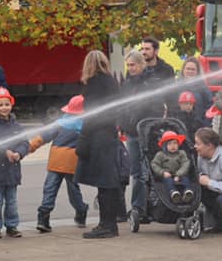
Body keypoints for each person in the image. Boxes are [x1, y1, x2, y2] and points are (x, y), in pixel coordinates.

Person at [74, 50, 126, 239]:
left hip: (98, 136)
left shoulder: (94, 84)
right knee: (109, 181)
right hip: (109, 134)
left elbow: (92, 115)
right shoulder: (111, 82)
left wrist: (83, 138)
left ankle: (107, 225)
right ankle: (110, 223)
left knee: (105, 183)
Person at [117, 49, 166, 219]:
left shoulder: (151, 82)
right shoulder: (127, 84)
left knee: (147, 171)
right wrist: (123, 124)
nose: (130, 68)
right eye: (128, 65)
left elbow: (157, 107)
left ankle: (147, 206)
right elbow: (122, 106)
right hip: (131, 133)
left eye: (133, 65)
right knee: (136, 172)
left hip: (146, 133)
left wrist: (146, 125)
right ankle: (137, 208)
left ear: (141, 64)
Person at [29, 94, 88, 234]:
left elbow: (42, 138)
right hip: (72, 164)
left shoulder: (60, 123)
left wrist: (28, 148)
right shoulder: (85, 126)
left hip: (55, 163)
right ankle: (81, 211)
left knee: (49, 190)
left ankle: (43, 218)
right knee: (74, 191)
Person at [0, 88, 30, 238]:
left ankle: (12, 226)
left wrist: (19, 153)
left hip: (13, 171)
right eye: (0, 105)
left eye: (6, 104)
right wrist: (5, 151)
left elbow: (25, 143)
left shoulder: (17, 126)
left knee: (12, 202)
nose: (4, 108)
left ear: (11, 105)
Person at [150, 131, 194, 203]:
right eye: (169, 144)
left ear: (178, 144)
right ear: (165, 146)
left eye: (175, 143)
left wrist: (178, 174)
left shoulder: (181, 153)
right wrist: (163, 172)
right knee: (168, 181)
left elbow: (185, 164)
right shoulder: (160, 154)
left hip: (180, 173)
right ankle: (174, 193)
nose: (173, 146)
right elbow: (154, 164)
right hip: (166, 175)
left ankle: (187, 192)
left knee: (185, 179)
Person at [177, 57, 214, 126]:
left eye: (193, 69)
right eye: (188, 69)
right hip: (180, 126)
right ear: (183, 70)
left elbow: (210, 107)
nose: (190, 71)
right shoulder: (176, 87)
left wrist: (204, 124)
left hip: (198, 127)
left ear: (197, 72)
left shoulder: (203, 88)